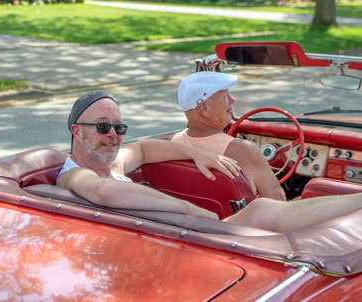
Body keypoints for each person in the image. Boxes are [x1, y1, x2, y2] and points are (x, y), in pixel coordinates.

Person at [56, 90, 362, 233]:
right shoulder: (72, 175)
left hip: (171, 233)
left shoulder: (114, 165)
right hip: (172, 235)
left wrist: (194, 152)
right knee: (262, 209)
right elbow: (103, 192)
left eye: (119, 128)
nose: (112, 135)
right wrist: (189, 208)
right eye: (102, 126)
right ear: (76, 132)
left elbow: (146, 149)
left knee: (260, 210)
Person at [172, 71, 286, 201]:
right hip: (242, 221)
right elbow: (278, 203)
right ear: (204, 108)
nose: (232, 100)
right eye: (225, 97)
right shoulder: (245, 151)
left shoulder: (171, 144)